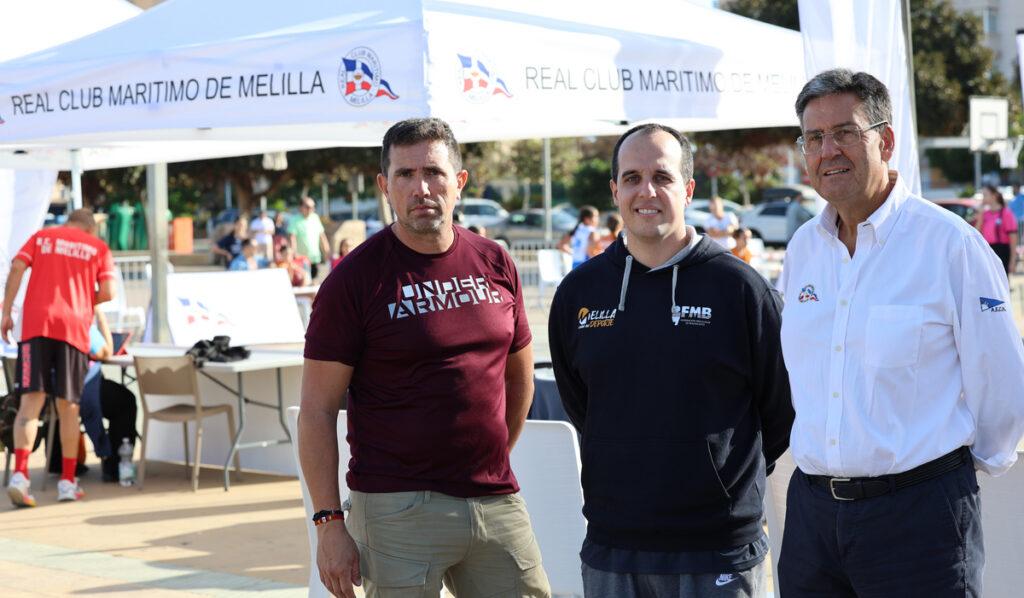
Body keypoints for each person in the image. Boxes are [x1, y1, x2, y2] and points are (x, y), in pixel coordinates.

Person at [777, 68, 1024, 597]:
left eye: (845, 132)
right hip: (812, 521)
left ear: (885, 140)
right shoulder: (802, 249)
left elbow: (1001, 382)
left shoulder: (950, 245)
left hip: (920, 520)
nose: (828, 151)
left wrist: (948, 479)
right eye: (814, 138)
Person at [297, 117, 550, 598]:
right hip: (397, 509)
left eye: (433, 172)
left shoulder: (495, 261)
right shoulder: (353, 281)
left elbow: (520, 383)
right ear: (384, 187)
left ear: (459, 182)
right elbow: (316, 411)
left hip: (495, 497)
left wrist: (493, 456)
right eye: (405, 175)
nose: (421, 188)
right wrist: (328, 523)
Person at [548, 123, 794, 598]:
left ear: (688, 189)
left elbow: (781, 410)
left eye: (662, 176)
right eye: (633, 177)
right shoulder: (578, 293)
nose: (647, 191)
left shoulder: (740, 289)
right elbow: (583, 406)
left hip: (717, 548)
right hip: (612, 547)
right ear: (615, 190)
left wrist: (720, 482)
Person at [1, 208, 116, 506]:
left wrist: (6, 312)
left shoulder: (42, 237)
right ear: (90, 228)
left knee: (30, 405)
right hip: (73, 329)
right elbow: (109, 291)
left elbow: (16, 267)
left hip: (36, 325)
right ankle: (67, 483)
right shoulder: (98, 247)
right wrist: (81, 298)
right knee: (69, 408)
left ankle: (21, 477)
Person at [974, 184, 1017, 276]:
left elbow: (1013, 238)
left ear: (994, 195)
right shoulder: (985, 214)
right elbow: (976, 233)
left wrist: (1012, 260)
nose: (983, 198)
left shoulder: (1006, 213)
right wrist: (980, 214)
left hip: (1002, 250)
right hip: (988, 250)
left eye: (985, 195)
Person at [288, 197, 332, 280]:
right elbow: (292, 237)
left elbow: (322, 235)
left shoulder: (315, 217)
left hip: (315, 257)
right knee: (305, 282)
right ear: (300, 207)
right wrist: (294, 252)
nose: (310, 209)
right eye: (307, 207)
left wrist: (327, 250)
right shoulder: (295, 219)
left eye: (312, 207)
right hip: (302, 259)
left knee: (316, 281)